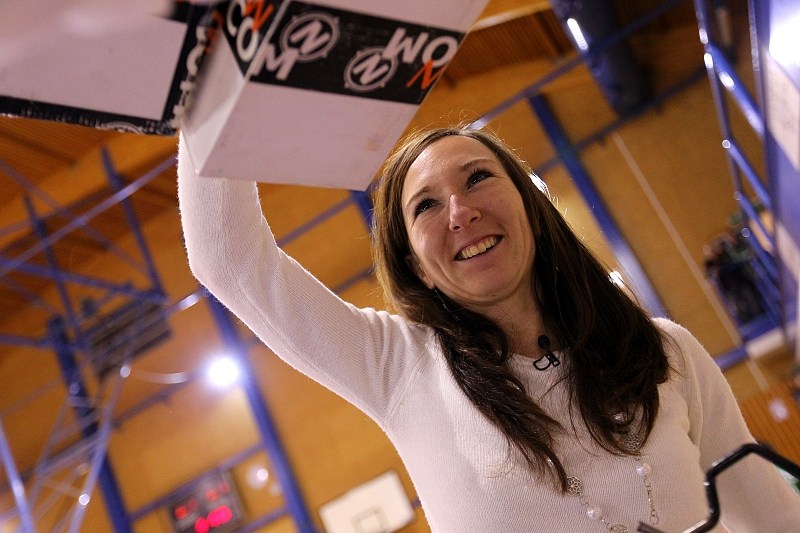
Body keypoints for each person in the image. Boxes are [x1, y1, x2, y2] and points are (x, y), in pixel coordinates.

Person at [178, 124, 800, 532]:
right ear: (414, 265)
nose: (460, 211)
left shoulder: (664, 350)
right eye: (426, 205)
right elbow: (229, 260)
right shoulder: (396, 367)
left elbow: (772, 517)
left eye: (477, 177)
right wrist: (226, 88)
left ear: (529, 205)